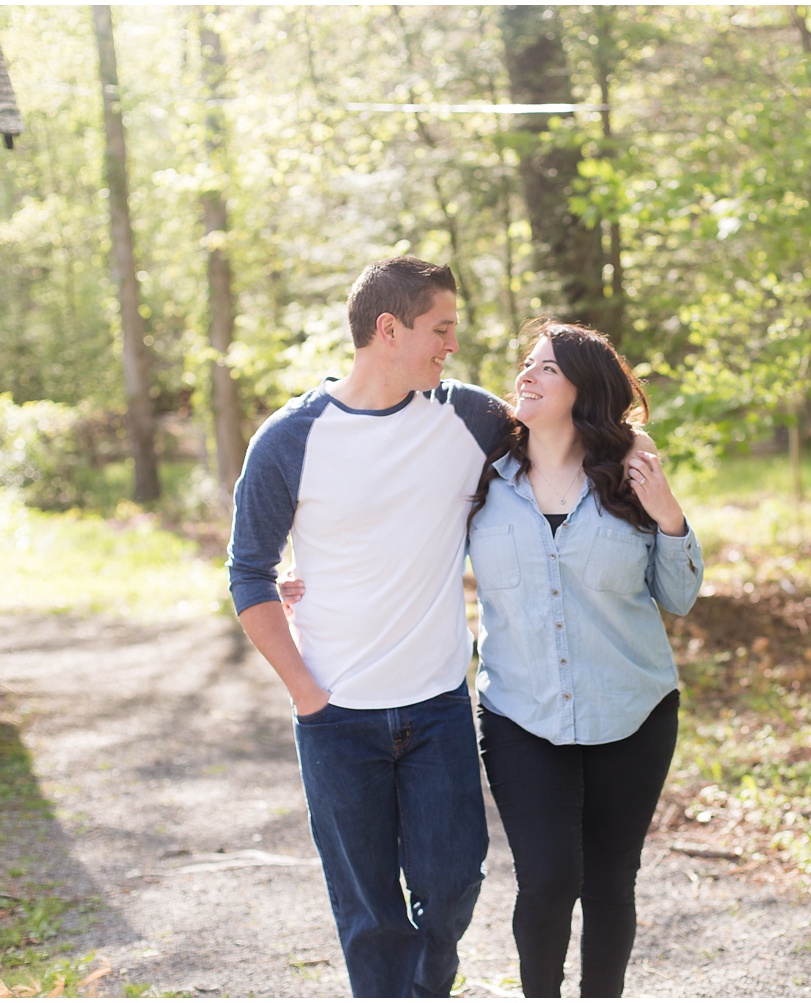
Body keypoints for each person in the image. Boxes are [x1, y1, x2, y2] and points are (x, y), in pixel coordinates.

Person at [283, 319, 703, 997]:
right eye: (527, 365)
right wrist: (306, 578)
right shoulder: (483, 472)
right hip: (521, 714)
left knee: (610, 880)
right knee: (548, 878)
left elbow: (678, 596)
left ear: (581, 390)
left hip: (634, 709)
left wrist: (669, 512)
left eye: (546, 369)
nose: (525, 377)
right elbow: (398, 529)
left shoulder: (631, 475)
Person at [226, 256, 512, 998]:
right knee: (369, 916)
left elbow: (558, 442)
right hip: (336, 721)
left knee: (451, 888)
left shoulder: (469, 418)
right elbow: (248, 574)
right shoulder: (290, 439)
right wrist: (305, 693)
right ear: (389, 329)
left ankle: (429, 984)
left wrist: (634, 457)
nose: (450, 345)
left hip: (438, 708)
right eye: (440, 330)